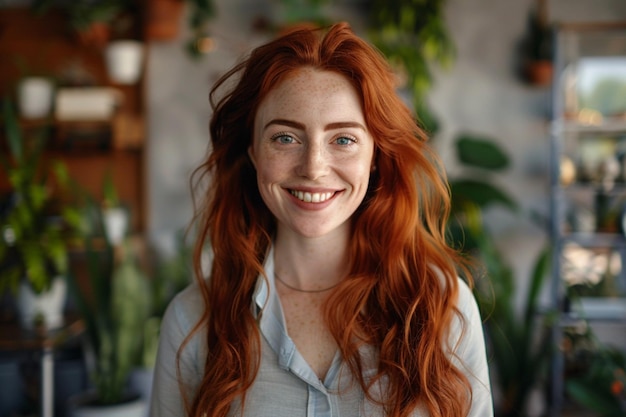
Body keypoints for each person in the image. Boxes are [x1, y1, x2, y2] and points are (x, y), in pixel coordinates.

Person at [151, 22, 493, 417]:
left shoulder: (442, 310)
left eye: (343, 139)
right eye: (285, 137)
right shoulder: (192, 321)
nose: (313, 168)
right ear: (252, 152)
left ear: (376, 157)